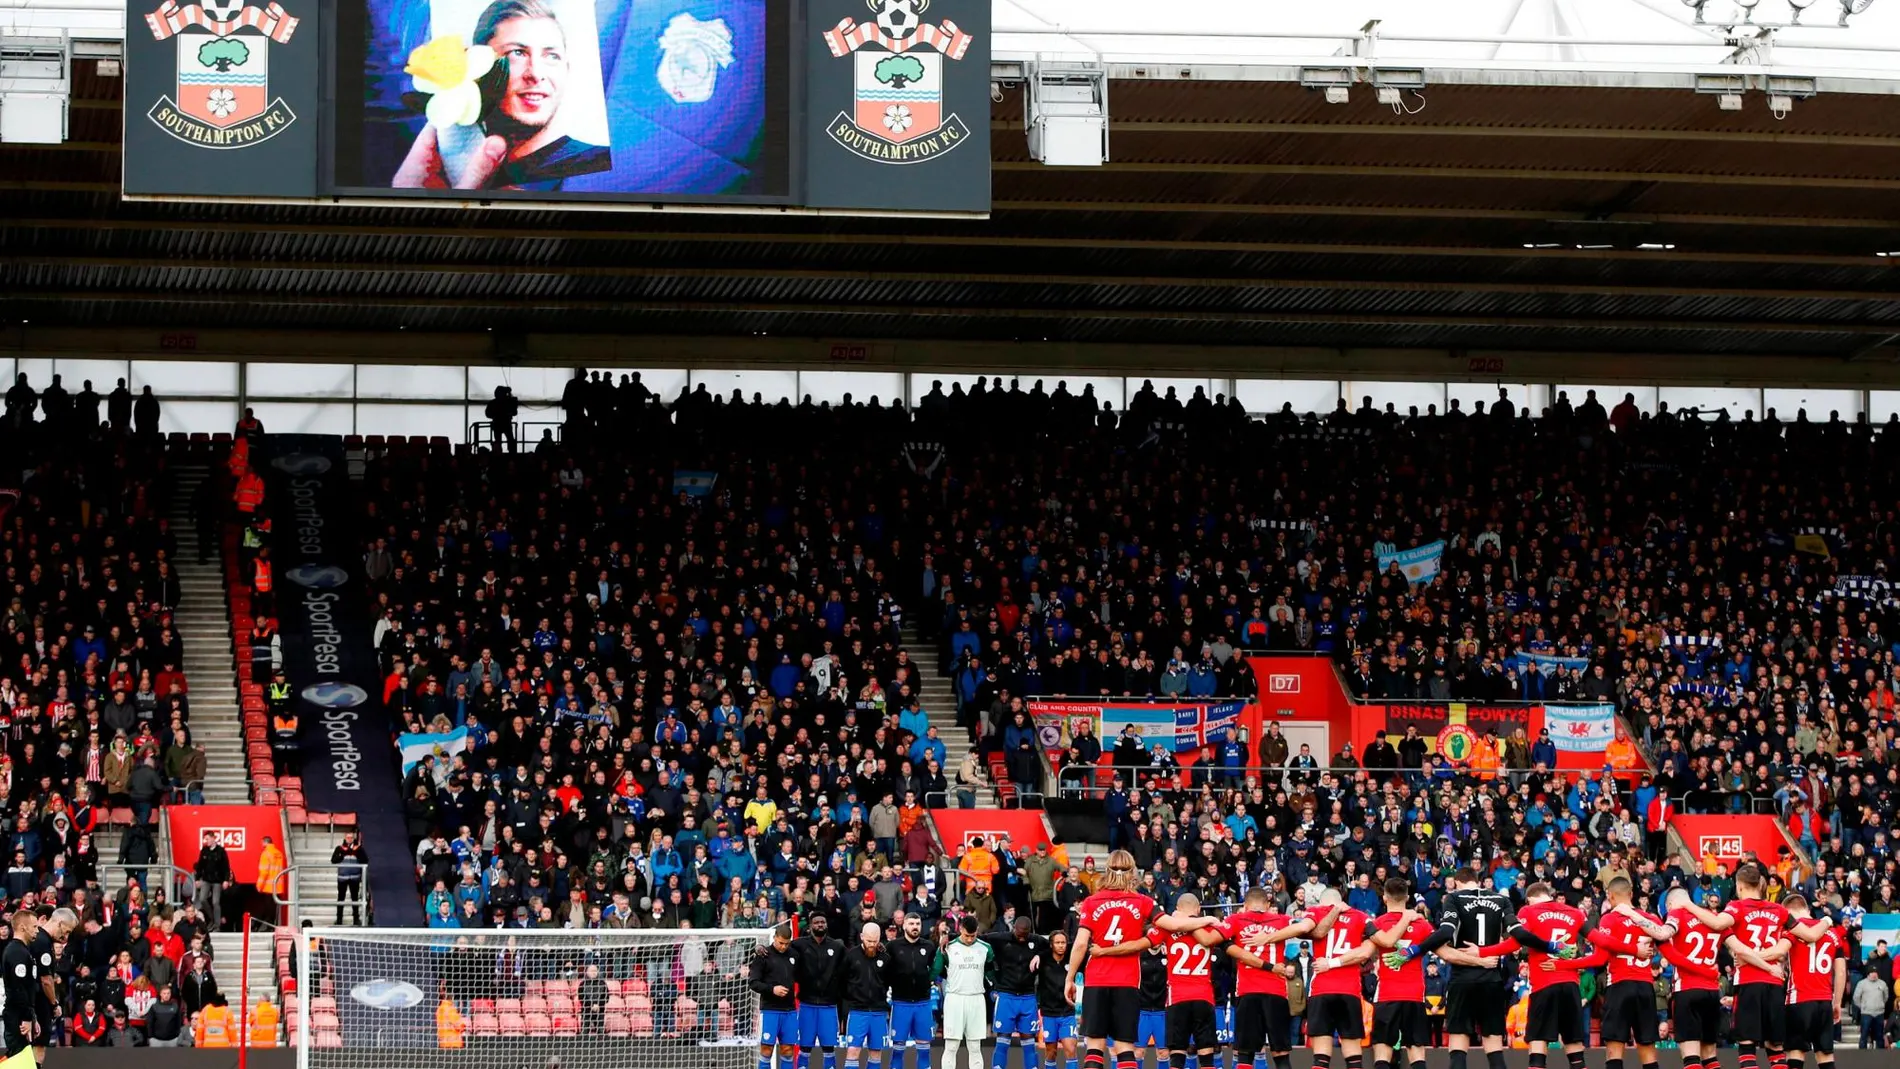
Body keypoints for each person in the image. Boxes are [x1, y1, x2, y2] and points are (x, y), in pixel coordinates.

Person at [391, 0, 608, 190]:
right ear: (480, 67)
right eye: (517, 53)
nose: (536, 74)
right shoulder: (448, 171)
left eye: (551, 55)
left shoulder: (594, 160)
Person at [1063, 849, 1214, 1069]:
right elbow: (1175, 925)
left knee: (1095, 1045)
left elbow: (1080, 944)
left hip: (1097, 979)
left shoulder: (1091, 902)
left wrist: (1070, 978)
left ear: (1107, 871)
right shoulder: (1143, 901)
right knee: (1125, 1047)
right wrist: (1208, 918)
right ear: (1133, 871)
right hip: (1127, 981)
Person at [1411, 868, 1565, 1069]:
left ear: (1457, 882)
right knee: (1493, 1044)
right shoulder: (1501, 900)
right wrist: (1550, 946)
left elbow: (1446, 931)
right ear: (1477, 881)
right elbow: (1518, 934)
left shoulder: (1454, 898)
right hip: (1491, 979)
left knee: (1458, 1040)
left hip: (1462, 977)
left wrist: (1416, 950)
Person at [1218, 886, 1313, 1069]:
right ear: (1268, 904)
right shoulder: (1282, 919)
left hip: (1247, 991)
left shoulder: (1235, 919)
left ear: (1245, 905)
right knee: (1281, 1053)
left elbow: (1219, 940)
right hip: (1275, 992)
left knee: (1245, 1053)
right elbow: (1306, 925)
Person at [1587, 878, 1665, 1069]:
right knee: (1648, 1052)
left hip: (1619, 985)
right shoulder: (1651, 919)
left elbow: (1599, 958)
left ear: (1610, 896)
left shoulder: (1608, 918)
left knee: (1614, 1051)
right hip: (1645, 987)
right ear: (1631, 894)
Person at [1369, 880, 1436, 1069]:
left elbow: (1365, 954)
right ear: (1407, 898)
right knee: (1416, 1051)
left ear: (1384, 898)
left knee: (1383, 1050)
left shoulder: (1377, 923)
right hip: (1414, 994)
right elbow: (1444, 950)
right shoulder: (1422, 924)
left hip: (1386, 994)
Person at [1781, 895, 1846, 1069]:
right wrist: (1837, 1002)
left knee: (1795, 1054)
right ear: (1808, 910)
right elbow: (1840, 970)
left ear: (1788, 913)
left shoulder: (1790, 929)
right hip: (1824, 1001)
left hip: (1798, 999)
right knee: (1825, 1057)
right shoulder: (1833, 934)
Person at [985, 916, 1046, 1069]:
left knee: (1028, 1038)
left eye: (1024, 935)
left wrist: (1040, 955)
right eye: (1018, 934)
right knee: (1003, 1037)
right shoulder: (1001, 938)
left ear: (1029, 932)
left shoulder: (1036, 941)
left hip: (1028, 997)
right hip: (1006, 996)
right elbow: (978, 938)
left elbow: (1056, 945)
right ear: (1014, 929)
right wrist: (950, 937)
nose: (1021, 938)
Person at [885, 914, 938, 1069]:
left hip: (923, 1003)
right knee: (898, 1049)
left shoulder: (928, 946)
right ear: (904, 926)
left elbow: (934, 969)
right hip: (901, 1003)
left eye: (918, 923)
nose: (915, 927)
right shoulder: (893, 946)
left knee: (923, 1048)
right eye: (911, 923)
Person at [793, 913, 844, 1069]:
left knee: (829, 1048)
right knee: (805, 1047)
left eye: (823, 921)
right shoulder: (799, 945)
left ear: (826, 925)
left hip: (829, 1006)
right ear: (810, 926)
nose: (820, 924)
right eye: (816, 922)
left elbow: (854, 959)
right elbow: (779, 949)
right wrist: (760, 948)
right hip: (807, 1004)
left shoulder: (837, 946)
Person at [940, 915, 992, 1069]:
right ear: (960, 929)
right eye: (967, 935)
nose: (970, 939)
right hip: (955, 998)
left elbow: (990, 971)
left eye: (973, 935)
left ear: (977, 931)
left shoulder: (985, 948)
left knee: (975, 1047)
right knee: (951, 1046)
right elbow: (937, 969)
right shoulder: (948, 946)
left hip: (976, 998)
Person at [841, 921, 893, 1069]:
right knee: (852, 1051)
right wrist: (851, 1001)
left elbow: (888, 983)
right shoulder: (851, 956)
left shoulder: (885, 958)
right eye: (869, 940)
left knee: (876, 1053)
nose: (872, 944)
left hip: (878, 1012)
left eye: (875, 941)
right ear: (861, 936)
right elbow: (842, 982)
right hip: (858, 1011)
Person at [750, 923, 799, 1069]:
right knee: (766, 1050)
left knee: (787, 1050)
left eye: (787, 943)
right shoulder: (763, 955)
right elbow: (753, 983)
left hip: (789, 1010)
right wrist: (772, 989)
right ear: (774, 938)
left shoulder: (794, 955)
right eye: (781, 943)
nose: (784, 946)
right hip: (770, 1010)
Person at [29, 907, 75, 1065]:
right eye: (67, 931)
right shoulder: (43, 942)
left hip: (31, 1000)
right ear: (60, 923)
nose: (66, 936)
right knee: (39, 1047)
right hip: (39, 1001)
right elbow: (46, 979)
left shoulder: (38, 938)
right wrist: (54, 1003)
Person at [1037, 929, 1078, 1069]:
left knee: (1071, 1050)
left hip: (1067, 1013)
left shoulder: (1072, 959)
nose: (1061, 945)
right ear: (1051, 945)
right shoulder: (1043, 960)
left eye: (1063, 942)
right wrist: (1037, 955)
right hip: (1049, 1014)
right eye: (1057, 943)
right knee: (1051, 1052)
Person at [3, 911, 39, 1058]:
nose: (37, 930)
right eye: (35, 926)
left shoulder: (23, 950)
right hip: (17, 1016)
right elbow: (19, 988)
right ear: (23, 927)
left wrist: (32, 1016)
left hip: (22, 1014)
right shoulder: (17, 952)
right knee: (19, 1059)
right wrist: (26, 1018)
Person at [194, 829, 232, 931]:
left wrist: (226, 880)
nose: (206, 841)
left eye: (207, 839)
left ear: (213, 838)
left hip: (217, 881)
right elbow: (200, 866)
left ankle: (217, 925)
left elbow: (226, 867)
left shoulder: (221, 851)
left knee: (216, 902)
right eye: (205, 839)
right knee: (202, 899)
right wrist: (197, 879)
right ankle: (213, 919)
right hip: (206, 879)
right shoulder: (204, 851)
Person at [333, 831, 367, 924]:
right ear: (345, 838)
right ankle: (339, 919)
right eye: (348, 837)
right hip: (342, 878)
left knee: (355, 899)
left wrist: (357, 854)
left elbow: (365, 860)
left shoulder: (359, 849)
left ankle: (356, 919)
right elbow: (333, 860)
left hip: (354, 878)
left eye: (351, 837)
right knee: (341, 899)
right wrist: (343, 855)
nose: (349, 839)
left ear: (354, 838)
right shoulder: (339, 848)